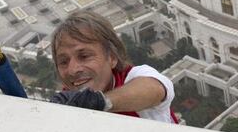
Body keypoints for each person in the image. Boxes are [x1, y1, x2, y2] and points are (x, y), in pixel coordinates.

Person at [48, 10, 178, 124]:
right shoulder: (67, 101)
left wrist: (100, 102)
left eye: (84, 56)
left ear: (112, 57)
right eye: (63, 62)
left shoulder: (134, 77)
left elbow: (155, 89)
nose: (73, 69)